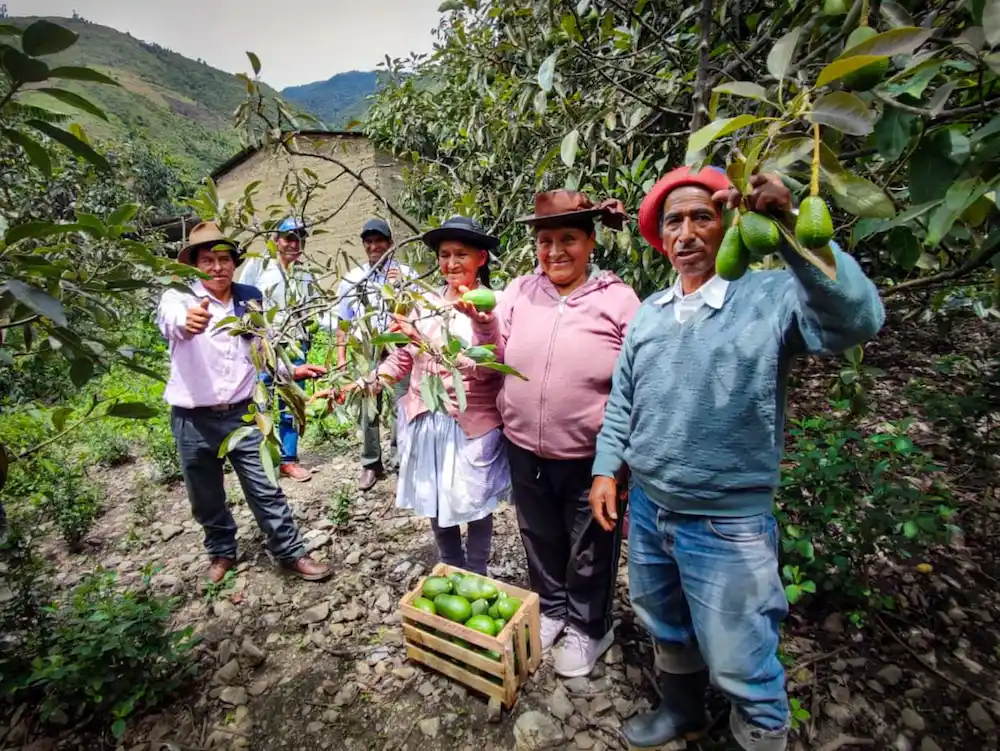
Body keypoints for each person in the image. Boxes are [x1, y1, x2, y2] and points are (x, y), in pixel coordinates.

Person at [589, 168, 885, 751]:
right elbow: (624, 399)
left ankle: (761, 735)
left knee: (741, 654)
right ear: (659, 236)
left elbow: (858, 321)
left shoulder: (770, 296)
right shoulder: (650, 311)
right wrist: (607, 467)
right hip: (649, 506)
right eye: (674, 220)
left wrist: (794, 225)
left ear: (730, 225)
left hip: (727, 523)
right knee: (664, 621)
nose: (687, 232)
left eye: (703, 216)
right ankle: (683, 713)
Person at [468, 191, 641, 678]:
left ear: (590, 241)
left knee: (591, 545)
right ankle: (552, 610)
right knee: (539, 534)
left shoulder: (617, 299)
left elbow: (638, 377)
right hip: (524, 446)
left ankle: (590, 626)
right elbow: (494, 356)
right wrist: (481, 330)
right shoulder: (518, 291)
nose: (556, 251)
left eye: (569, 239)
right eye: (546, 241)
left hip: (592, 455)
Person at [324, 216, 509, 574]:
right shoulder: (423, 301)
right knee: (437, 501)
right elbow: (404, 355)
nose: (452, 263)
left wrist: (482, 324)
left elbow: (487, 368)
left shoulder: (494, 304)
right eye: (444, 255)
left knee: (476, 504)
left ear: (481, 259)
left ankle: (477, 571)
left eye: (461, 255)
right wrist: (368, 381)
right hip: (427, 419)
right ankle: (450, 566)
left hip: (472, 424)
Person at [156, 221, 332, 584]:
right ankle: (221, 551)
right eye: (208, 260)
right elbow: (171, 322)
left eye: (224, 259)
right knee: (205, 495)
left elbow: (262, 347)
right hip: (192, 418)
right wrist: (188, 321)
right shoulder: (179, 297)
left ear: (234, 263)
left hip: (243, 413)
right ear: (194, 264)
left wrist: (291, 371)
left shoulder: (248, 296)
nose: (217, 267)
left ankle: (290, 551)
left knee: (266, 486)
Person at [335, 218, 415, 491]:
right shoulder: (353, 279)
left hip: (398, 349)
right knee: (368, 409)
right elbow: (343, 321)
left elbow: (417, 313)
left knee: (400, 407)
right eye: (368, 242)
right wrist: (341, 356)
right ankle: (371, 464)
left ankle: (399, 458)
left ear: (390, 244)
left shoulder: (406, 274)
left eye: (379, 240)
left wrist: (402, 287)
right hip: (366, 351)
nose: (373, 246)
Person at [239, 217, 318, 482]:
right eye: (288, 238)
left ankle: (289, 459)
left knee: (291, 403)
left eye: (298, 239)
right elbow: (244, 297)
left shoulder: (305, 274)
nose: (294, 244)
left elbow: (311, 308)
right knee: (261, 401)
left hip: (294, 346)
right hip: (263, 346)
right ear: (276, 241)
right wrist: (254, 334)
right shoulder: (260, 266)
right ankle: (261, 461)